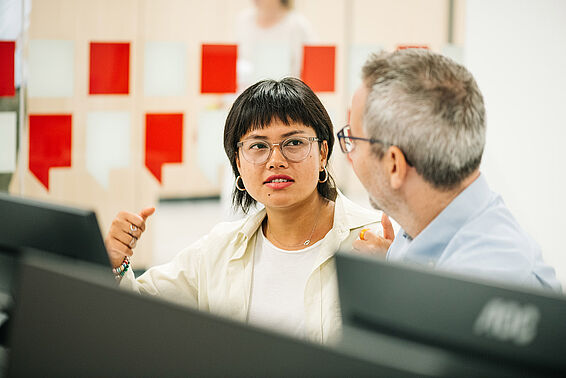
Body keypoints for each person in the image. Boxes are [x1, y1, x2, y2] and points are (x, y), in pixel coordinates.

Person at [105, 77, 381, 343]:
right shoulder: (219, 250)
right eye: (258, 146)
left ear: (322, 153)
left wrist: (391, 284)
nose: (276, 160)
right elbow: (138, 310)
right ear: (237, 162)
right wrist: (117, 264)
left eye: (294, 143)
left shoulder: (373, 242)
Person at [341, 48, 561, 291]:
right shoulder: (422, 225)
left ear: (394, 165)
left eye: (353, 139)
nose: (350, 152)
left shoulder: (488, 286)